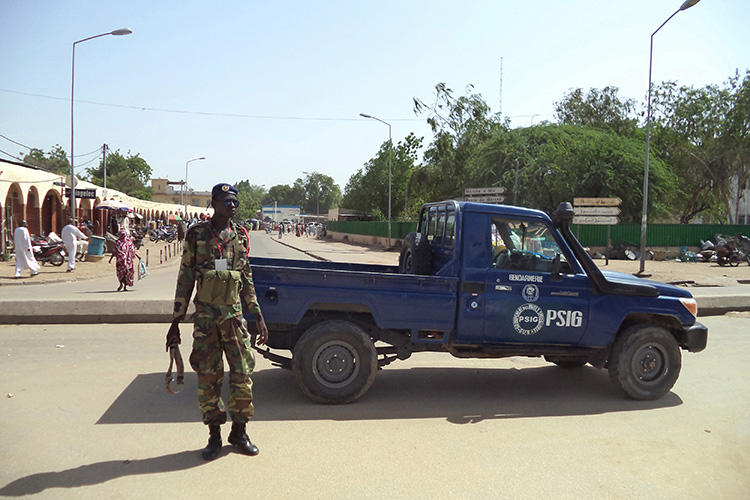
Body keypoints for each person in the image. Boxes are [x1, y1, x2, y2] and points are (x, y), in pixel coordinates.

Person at [166, 183, 268, 461]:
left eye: (234, 201)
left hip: (234, 319)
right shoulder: (197, 234)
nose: (231, 206)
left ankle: (240, 431)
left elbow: (246, 278)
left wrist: (257, 315)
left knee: (243, 374)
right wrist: (176, 320)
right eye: (226, 201)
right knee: (209, 378)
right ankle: (214, 435)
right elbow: (185, 278)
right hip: (206, 320)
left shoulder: (240, 236)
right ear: (214, 203)